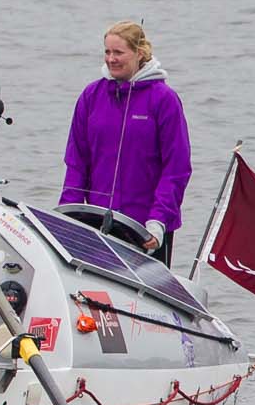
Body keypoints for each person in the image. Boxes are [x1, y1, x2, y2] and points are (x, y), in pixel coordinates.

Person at [59, 20, 192, 263]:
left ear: (139, 53)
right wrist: (69, 216)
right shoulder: (91, 96)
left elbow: (176, 169)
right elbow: (77, 162)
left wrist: (158, 221)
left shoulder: (164, 100)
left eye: (118, 52)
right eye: (107, 52)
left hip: (145, 230)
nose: (111, 59)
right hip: (98, 225)